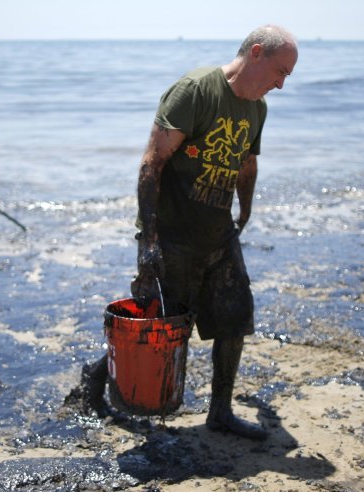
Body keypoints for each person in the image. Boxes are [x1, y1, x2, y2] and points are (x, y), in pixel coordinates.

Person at [69, 25, 299, 440]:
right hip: (173, 235)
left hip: (218, 233)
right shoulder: (194, 91)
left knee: (234, 318)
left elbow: (246, 163)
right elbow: (151, 164)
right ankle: (97, 377)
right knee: (159, 325)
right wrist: (149, 241)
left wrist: (245, 210)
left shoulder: (257, 108)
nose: (281, 84)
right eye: (280, 71)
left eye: (287, 77)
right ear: (257, 53)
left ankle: (220, 412)